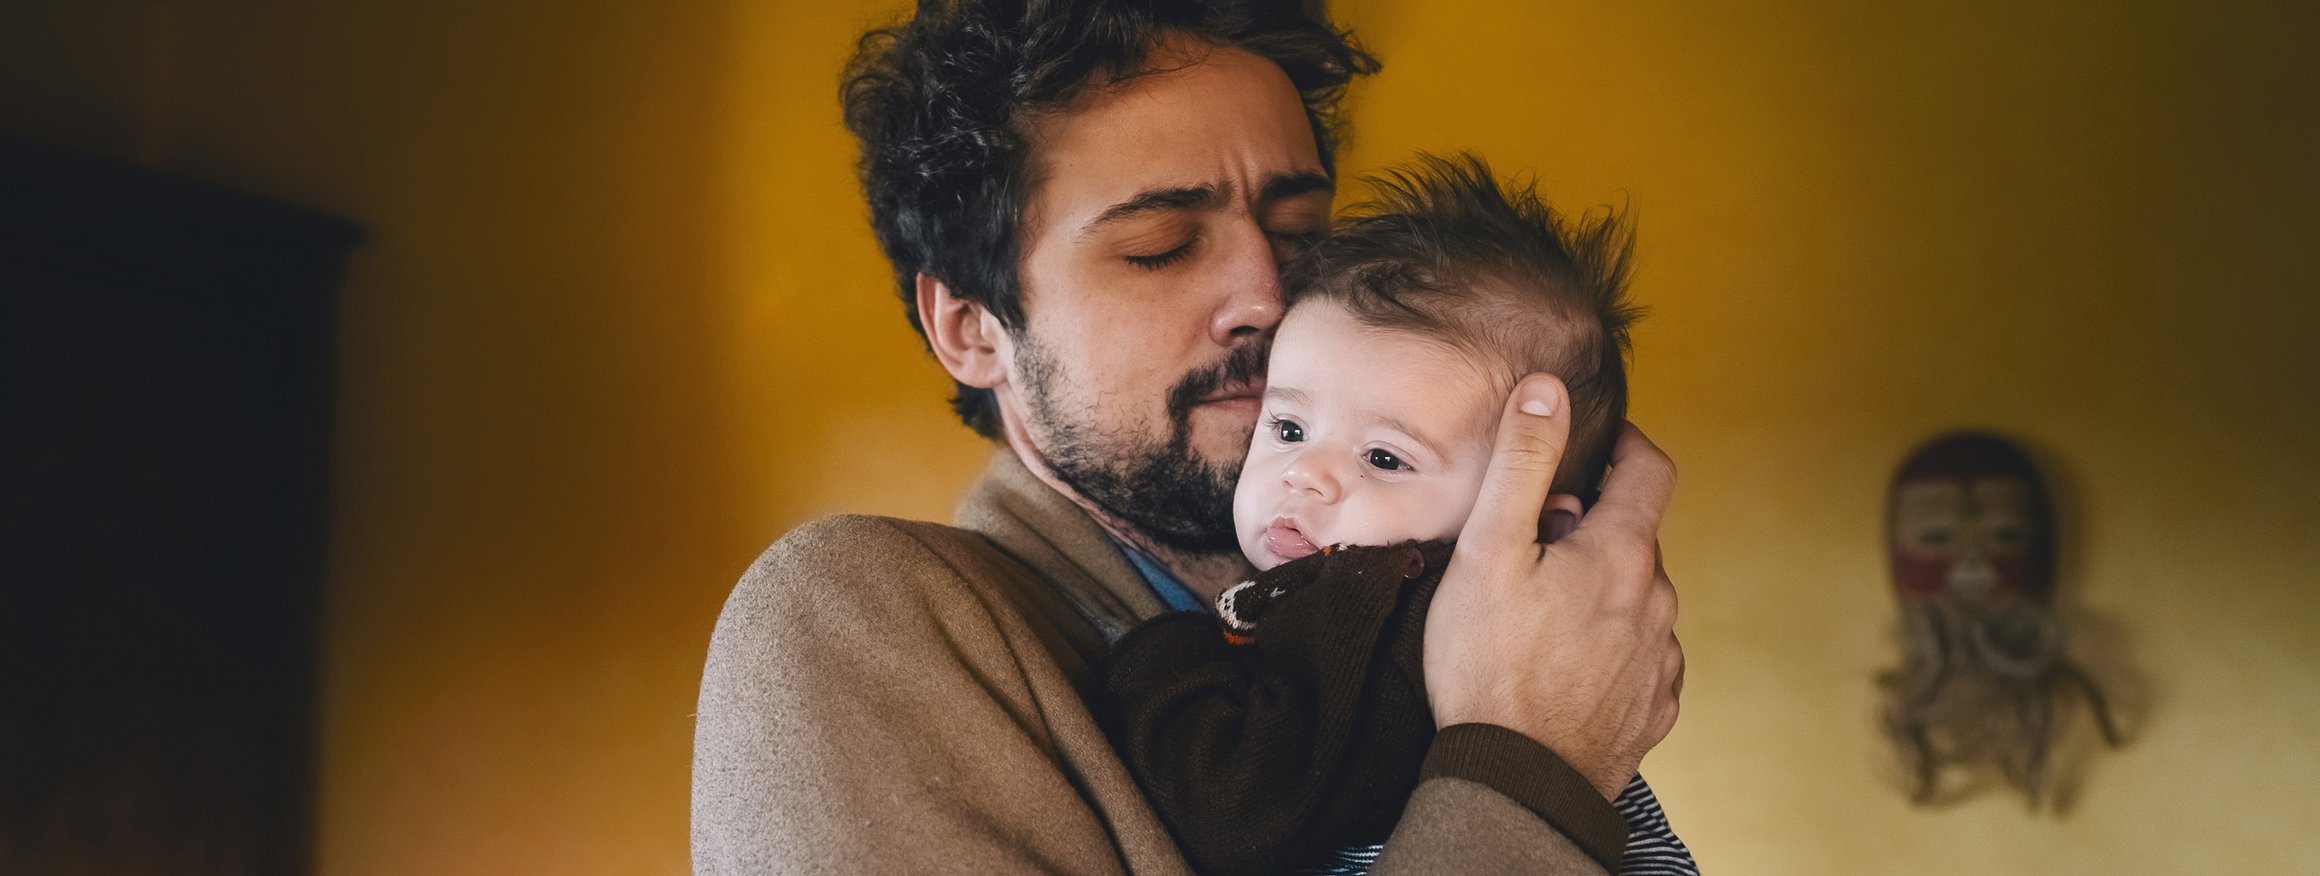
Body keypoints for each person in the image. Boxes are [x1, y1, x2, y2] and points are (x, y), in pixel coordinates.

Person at [691, 2, 1685, 873]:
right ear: (971, 328)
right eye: (1159, 247)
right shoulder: (856, 618)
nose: (1267, 293)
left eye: (1300, 233)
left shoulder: (1414, 597)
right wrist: (1525, 769)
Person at [1098, 153, 1695, 876]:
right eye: (1288, 429)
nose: (1306, 474)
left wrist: (1158, 660)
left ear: (1539, 523)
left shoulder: (1393, 618)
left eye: (1384, 459)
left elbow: (1241, 813)